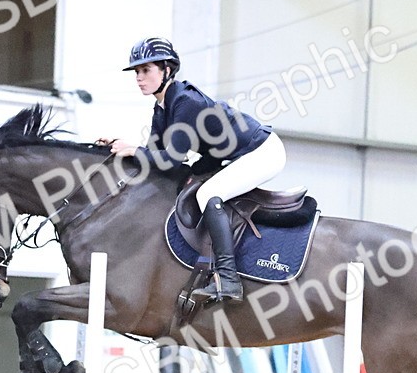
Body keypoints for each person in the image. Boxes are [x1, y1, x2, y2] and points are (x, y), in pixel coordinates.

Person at [97, 37, 285, 304]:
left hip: (262, 151)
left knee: (208, 194)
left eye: (146, 70)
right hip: (227, 155)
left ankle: (229, 279)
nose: (139, 78)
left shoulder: (184, 101)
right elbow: (155, 158)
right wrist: (121, 150)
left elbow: (172, 158)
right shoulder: (162, 108)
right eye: (137, 72)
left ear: (167, 70)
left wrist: (133, 150)